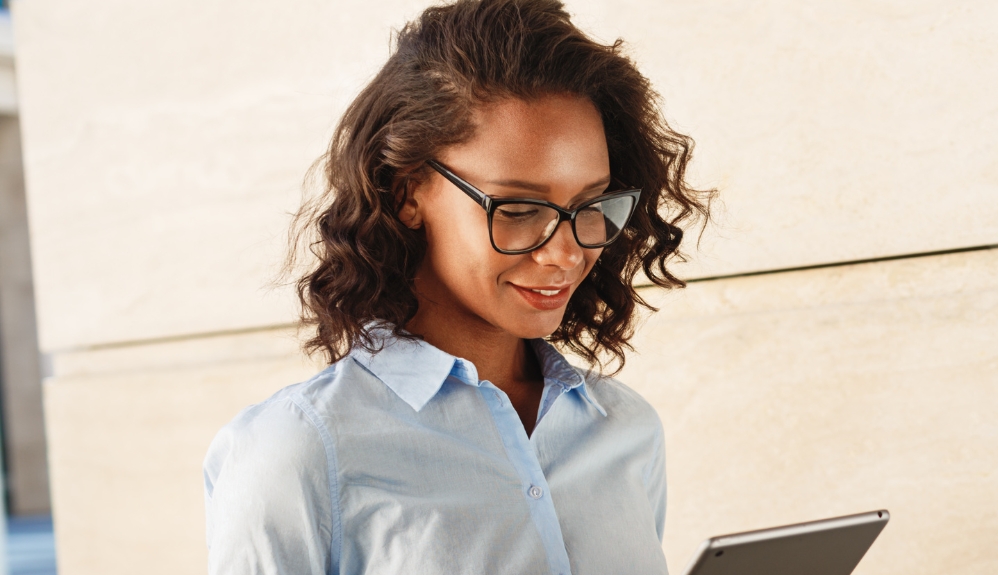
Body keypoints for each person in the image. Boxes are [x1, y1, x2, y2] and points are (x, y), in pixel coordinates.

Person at [201, 1, 712, 573]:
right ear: (407, 193)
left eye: (591, 204)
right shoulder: (297, 452)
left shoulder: (623, 428)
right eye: (518, 208)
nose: (567, 251)